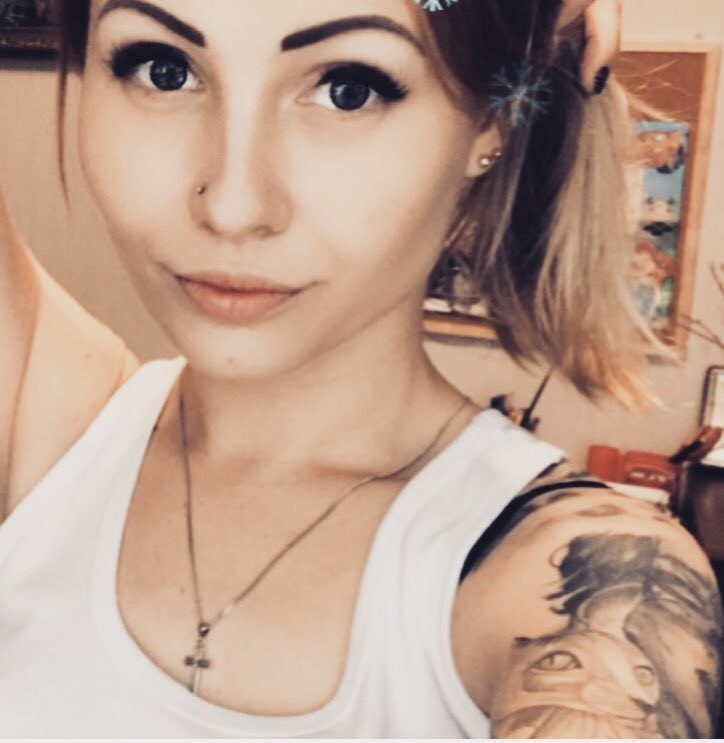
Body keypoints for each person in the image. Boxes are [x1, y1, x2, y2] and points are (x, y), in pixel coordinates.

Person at [0, 0, 720, 737]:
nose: (234, 206)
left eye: (348, 89)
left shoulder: (582, 578)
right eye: (164, 69)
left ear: (492, 119)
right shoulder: (44, 428)